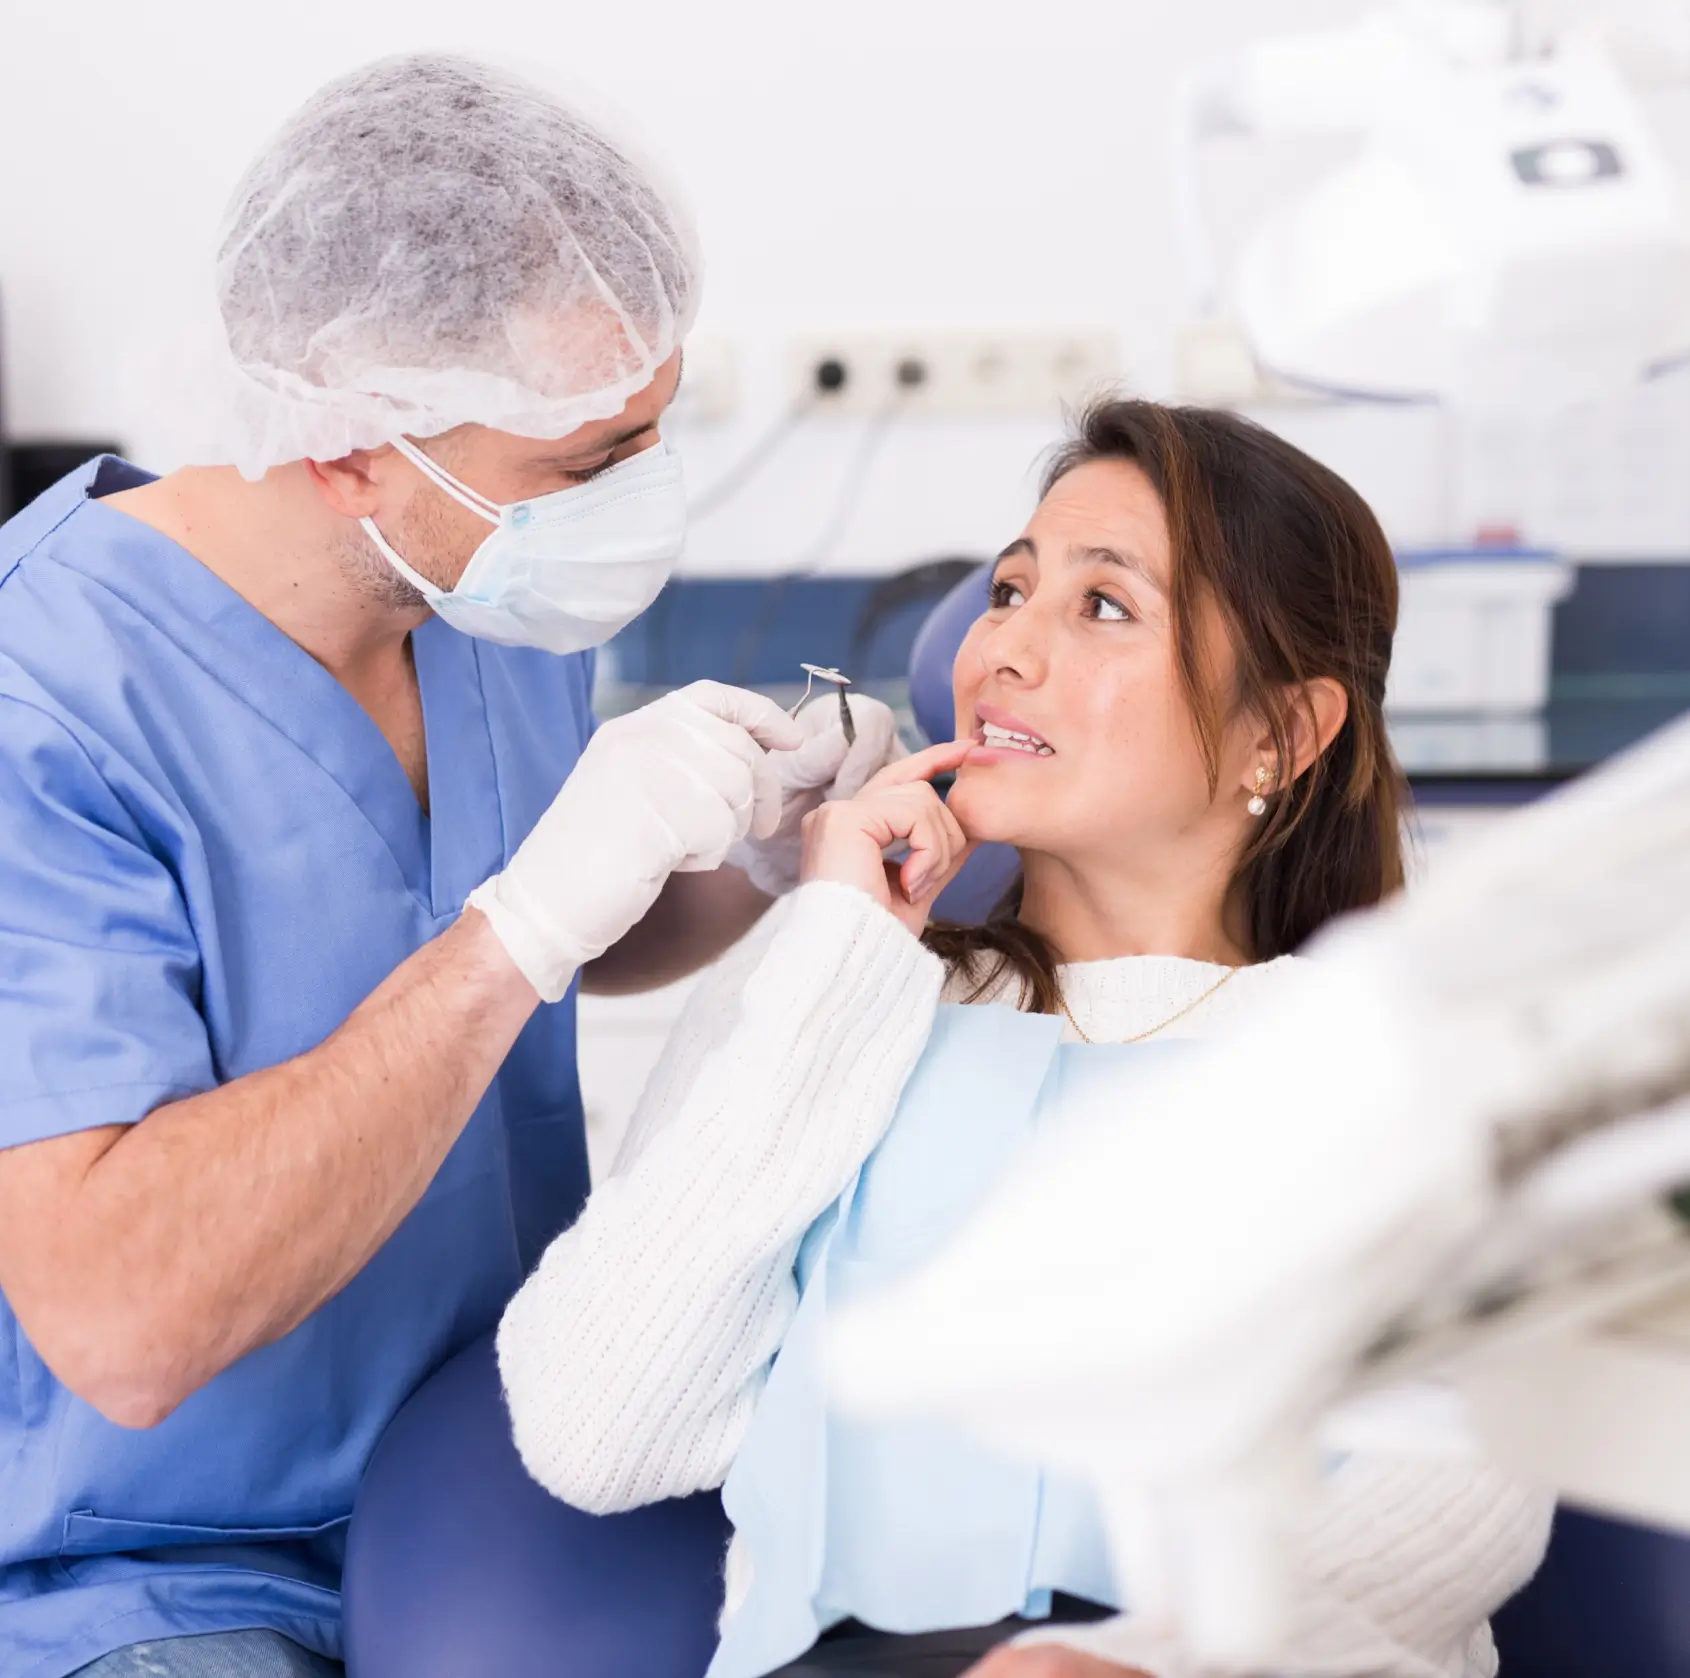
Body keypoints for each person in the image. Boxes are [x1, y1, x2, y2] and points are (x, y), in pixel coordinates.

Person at [0, 53, 899, 1678]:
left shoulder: (477, 595)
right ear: (351, 441)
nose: (641, 496)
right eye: (585, 461)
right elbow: (122, 1319)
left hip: (504, 1477)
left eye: (654, 431)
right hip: (162, 1571)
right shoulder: (41, 702)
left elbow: (541, 938)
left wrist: (746, 862)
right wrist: (523, 920)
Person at [495, 399, 1554, 1678]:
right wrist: (837, 946)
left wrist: (1169, 1659)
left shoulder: (1397, 1054)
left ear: (1279, 731)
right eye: (1008, 589)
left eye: (1103, 606)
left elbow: (1461, 1475)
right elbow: (595, 1429)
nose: (1003, 648)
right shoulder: (836, 986)